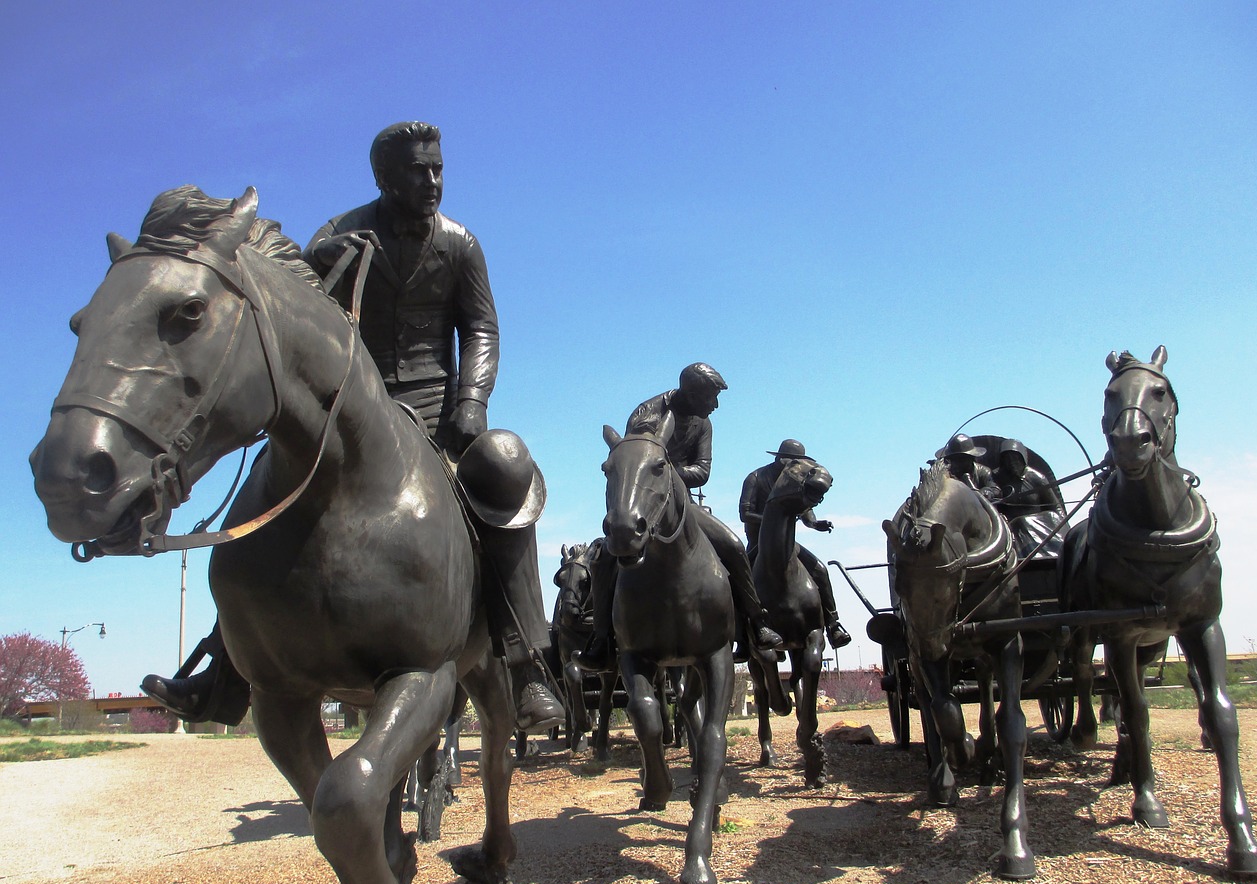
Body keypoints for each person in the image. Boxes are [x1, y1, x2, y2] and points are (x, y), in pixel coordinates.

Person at [142, 121, 564, 733]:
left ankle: (526, 663)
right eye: (418, 170)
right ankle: (229, 668)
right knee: (265, 489)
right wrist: (318, 265)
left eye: (438, 168)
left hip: (436, 414)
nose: (432, 181)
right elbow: (298, 314)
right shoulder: (338, 234)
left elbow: (481, 329)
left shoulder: (461, 244)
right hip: (354, 409)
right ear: (383, 177)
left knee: (507, 465)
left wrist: (470, 401)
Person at [575, 363, 784, 671]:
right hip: (643, 505)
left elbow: (703, 471)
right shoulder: (647, 413)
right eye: (711, 397)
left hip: (683, 506)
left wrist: (668, 474)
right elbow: (635, 462)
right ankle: (601, 636)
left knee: (734, 546)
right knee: (604, 558)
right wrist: (656, 476)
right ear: (691, 392)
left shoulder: (704, 423)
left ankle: (755, 622)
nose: (715, 405)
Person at [738, 440, 852, 650]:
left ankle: (833, 624)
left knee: (820, 570)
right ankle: (742, 639)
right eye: (795, 462)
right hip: (758, 542)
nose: (799, 467)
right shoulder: (755, 478)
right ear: (782, 460)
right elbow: (745, 513)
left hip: (787, 541)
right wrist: (774, 520)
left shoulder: (795, 480)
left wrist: (814, 523)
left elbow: (805, 508)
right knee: (737, 581)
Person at [984, 438, 1067, 556]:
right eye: (1008, 459)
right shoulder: (996, 476)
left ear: (1023, 459)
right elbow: (992, 489)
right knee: (1020, 523)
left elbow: (1055, 507)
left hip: (1041, 526)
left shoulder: (1037, 478)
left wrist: (1067, 531)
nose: (1012, 463)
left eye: (1015, 458)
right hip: (1011, 529)